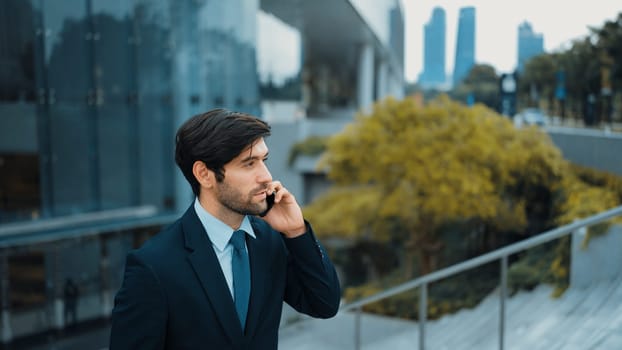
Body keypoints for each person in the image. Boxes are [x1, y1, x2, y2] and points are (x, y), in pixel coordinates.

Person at [109, 108, 341, 349]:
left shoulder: (270, 241)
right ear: (204, 174)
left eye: (264, 160)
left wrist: (296, 231)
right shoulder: (153, 266)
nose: (266, 176)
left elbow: (324, 304)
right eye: (249, 163)